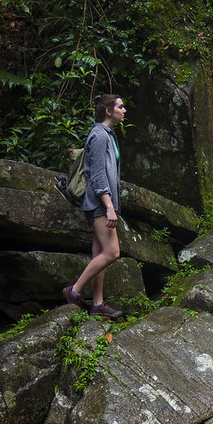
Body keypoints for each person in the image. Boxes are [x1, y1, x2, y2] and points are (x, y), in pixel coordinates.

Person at [62, 94, 127, 319]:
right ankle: (75, 290)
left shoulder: (107, 135)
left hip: (102, 203)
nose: (124, 110)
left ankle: (98, 304)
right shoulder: (99, 136)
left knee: (99, 252)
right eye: (120, 106)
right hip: (99, 203)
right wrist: (109, 206)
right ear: (108, 111)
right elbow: (98, 175)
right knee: (112, 252)